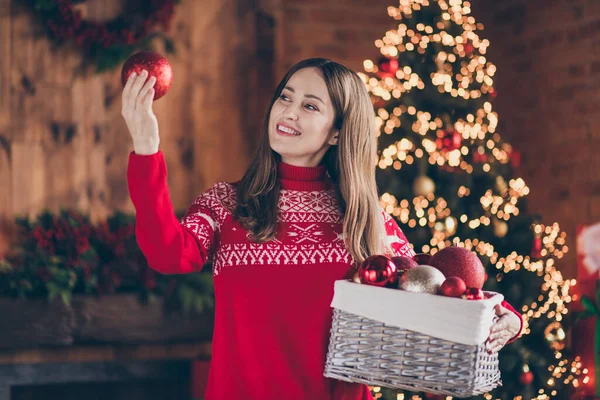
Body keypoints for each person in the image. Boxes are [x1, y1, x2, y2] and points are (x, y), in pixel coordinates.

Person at [122, 58, 522, 400]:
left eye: (310, 105)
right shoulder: (228, 204)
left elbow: (436, 288)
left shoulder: (366, 222)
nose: (289, 111)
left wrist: (506, 316)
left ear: (337, 131)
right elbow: (167, 253)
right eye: (286, 96)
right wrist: (145, 147)